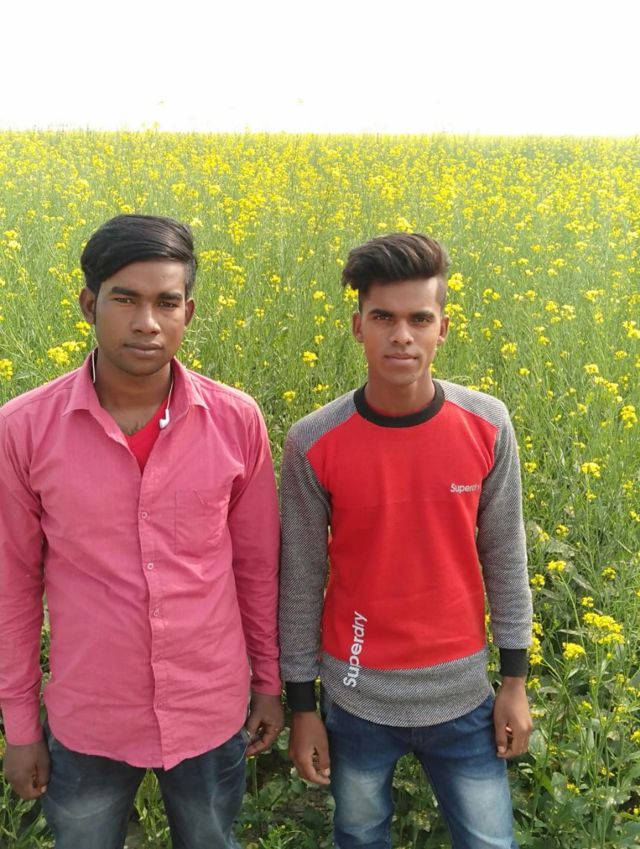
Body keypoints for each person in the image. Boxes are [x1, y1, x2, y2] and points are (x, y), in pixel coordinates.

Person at [0, 214, 283, 849]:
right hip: (91, 717)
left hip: (209, 708)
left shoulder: (236, 421)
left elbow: (257, 569)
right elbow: (12, 588)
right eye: (125, 299)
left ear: (189, 312)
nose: (147, 322)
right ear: (88, 305)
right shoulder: (21, 431)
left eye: (167, 302)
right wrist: (20, 727)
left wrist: (268, 682)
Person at [279, 233, 533, 849]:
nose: (402, 336)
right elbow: (301, 581)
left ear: (442, 328)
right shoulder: (312, 442)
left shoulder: (487, 424)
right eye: (382, 318)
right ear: (357, 326)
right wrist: (302, 706)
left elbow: (506, 557)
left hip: (465, 698)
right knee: (360, 836)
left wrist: (515, 682)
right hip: (356, 697)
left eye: (419, 319)